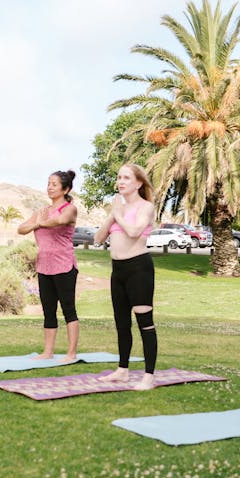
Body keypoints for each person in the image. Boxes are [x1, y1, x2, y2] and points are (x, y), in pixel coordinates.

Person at [93, 164, 159, 390]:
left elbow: (133, 232)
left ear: (139, 183)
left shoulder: (146, 207)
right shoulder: (117, 211)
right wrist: (112, 215)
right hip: (117, 270)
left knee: (144, 323)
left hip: (138, 268)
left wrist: (118, 215)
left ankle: (148, 377)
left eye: (127, 178)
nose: (121, 181)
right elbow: (98, 239)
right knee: (122, 323)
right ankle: (122, 370)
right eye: (119, 177)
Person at [17, 170, 80, 362]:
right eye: (48, 184)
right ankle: (48, 352)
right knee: (48, 309)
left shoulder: (70, 208)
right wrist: (38, 222)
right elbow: (21, 229)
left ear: (65, 188)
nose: (50, 187)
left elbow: (59, 221)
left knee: (68, 308)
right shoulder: (41, 212)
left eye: (54, 184)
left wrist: (38, 223)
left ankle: (71, 353)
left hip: (64, 265)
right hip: (44, 266)